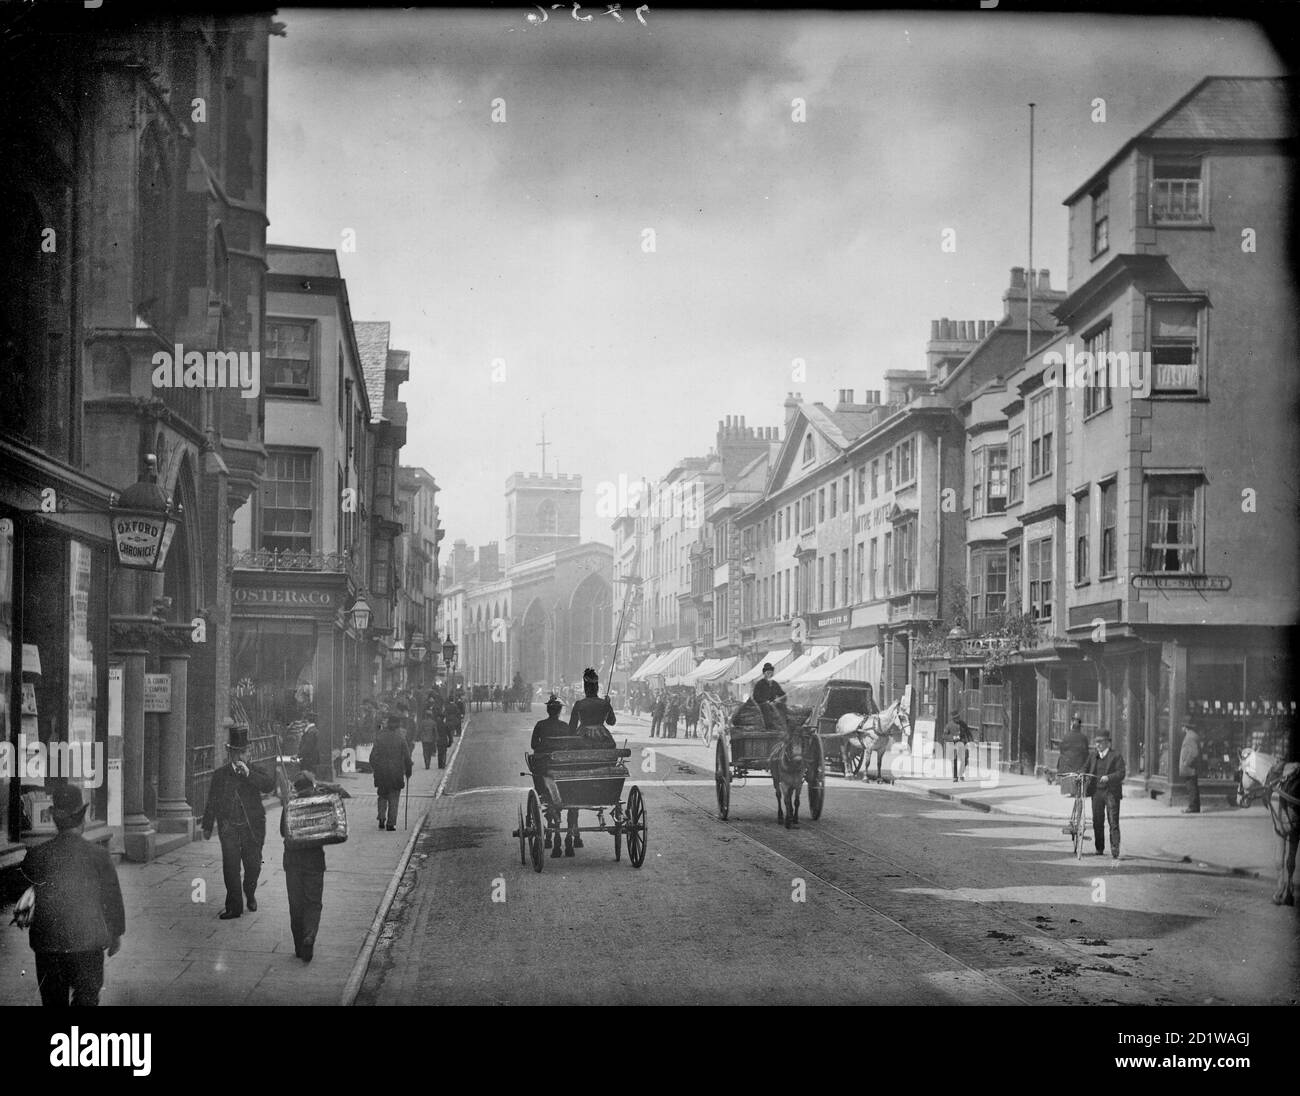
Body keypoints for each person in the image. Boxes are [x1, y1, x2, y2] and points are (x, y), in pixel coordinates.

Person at [18, 784, 125, 1006]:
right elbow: (112, 899)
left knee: (53, 1001)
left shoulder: (37, 855)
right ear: (82, 819)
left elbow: (23, 889)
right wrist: (115, 934)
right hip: (87, 943)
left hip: (48, 945)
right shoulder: (99, 856)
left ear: (55, 821)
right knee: (87, 998)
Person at [201, 723, 275, 918]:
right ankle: (234, 907)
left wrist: (249, 774)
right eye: (241, 752)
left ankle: (249, 893)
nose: (245, 756)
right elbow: (212, 801)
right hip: (229, 827)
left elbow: (269, 786)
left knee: (253, 866)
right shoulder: (221, 774)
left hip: (252, 828)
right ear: (232, 754)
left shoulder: (255, 771)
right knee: (231, 868)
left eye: (246, 752)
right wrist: (207, 826)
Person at [279, 770, 349, 962]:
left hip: (293, 862)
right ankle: (310, 936)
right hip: (314, 861)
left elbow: (282, 832)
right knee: (313, 902)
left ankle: (299, 947)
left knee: (296, 904)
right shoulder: (320, 802)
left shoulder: (291, 804)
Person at [1083, 730, 1126, 858]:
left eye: (1100, 742)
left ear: (1107, 742)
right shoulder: (1093, 756)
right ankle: (1099, 848)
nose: (1097, 745)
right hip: (1096, 791)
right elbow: (1085, 767)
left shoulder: (1116, 756)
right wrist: (1080, 774)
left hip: (1111, 792)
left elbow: (1121, 773)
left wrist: (1108, 777)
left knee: (1113, 821)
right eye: (1096, 742)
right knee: (1097, 821)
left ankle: (1115, 848)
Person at [370, 713, 412, 831]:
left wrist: (376, 768)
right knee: (394, 798)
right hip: (396, 773)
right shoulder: (401, 738)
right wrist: (408, 770)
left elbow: (372, 757)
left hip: (382, 773)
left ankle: (381, 817)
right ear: (398, 725)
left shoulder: (380, 737)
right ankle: (391, 823)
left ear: (388, 724)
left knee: (382, 796)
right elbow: (407, 757)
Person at [1057, 716, 1090, 783]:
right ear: (1080, 727)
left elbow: (1061, 750)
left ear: (1071, 726)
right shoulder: (1083, 738)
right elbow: (1086, 753)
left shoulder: (1065, 736)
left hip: (1066, 767)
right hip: (1079, 767)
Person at [1179, 724, 1201, 814]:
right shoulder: (1193, 735)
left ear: (1185, 727)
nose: (1181, 728)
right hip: (1191, 768)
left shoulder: (1190, 737)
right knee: (1193, 787)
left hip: (1189, 768)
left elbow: (1194, 753)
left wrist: (1186, 762)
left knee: (1191, 787)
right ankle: (1195, 807)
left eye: (1182, 726)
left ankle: (1192, 807)